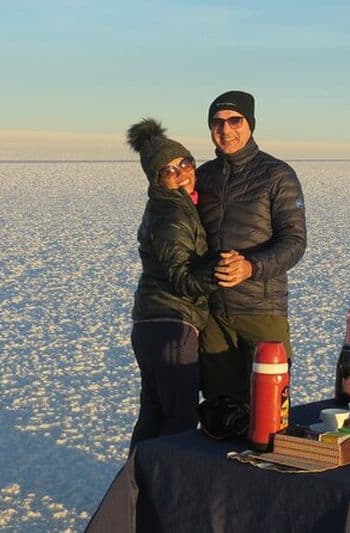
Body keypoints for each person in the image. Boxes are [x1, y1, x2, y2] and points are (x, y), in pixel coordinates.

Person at [196, 90, 307, 405]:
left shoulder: (277, 175)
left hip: (262, 311)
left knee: (268, 409)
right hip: (214, 314)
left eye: (235, 120)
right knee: (220, 408)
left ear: (251, 124)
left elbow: (295, 241)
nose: (226, 130)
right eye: (217, 123)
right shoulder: (203, 177)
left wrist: (250, 267)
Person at [126, 118, 218, 452]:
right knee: (178, 420)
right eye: (169, 170)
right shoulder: (171, 214)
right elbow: (183, 278)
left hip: (152, 324)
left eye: (185, 163)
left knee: (153, 415)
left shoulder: (178, 206)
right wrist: (222, 269)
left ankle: (135, 492)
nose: (181, 173)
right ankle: (161, 494)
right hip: (171, 326)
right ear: (156, 178)